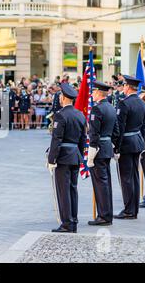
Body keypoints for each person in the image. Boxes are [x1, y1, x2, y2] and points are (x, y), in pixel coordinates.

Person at [47, 83, 86, 233]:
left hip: (63, 157)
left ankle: (67, 223)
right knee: (72, 189)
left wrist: (51, 159)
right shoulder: (80, 115)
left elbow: (56, 139)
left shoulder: (61, 115)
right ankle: (73, 220)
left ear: (63, 98)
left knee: (63, 191)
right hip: (75, 156)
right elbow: (83, 139)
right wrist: (80, 157)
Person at [113, 75, 145, 219]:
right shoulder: (141, 103)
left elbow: (120, 128)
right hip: (137, 142)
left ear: (127, 87)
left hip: (126, 143)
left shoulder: (124, 103)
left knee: (126, 177)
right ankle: (134, 209)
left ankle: (128, 210)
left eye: (124, 85)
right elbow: (144, 126)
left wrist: (116, 147)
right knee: (134, 176)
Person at [87, 81, 120, 226]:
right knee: (106, 183)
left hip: (99, 149)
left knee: (100, 184)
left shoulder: (97, 109)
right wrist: (113, 147)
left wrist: (91, 155)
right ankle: (107, 214)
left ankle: (104, 216)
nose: (92, 94)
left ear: (99, 92)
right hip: (107, 148)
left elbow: (94, 134)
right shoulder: (111, 108)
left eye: (93, 92)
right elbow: (116, 132)